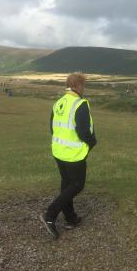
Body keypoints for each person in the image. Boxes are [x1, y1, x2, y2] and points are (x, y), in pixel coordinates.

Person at [40, 73, 97, 238]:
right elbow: (84, 132)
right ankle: (49, 215)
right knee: (77, 185)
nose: (83, 89)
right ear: (78, 86)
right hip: (74, 154)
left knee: (66, 185)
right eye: (83, 85)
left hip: (58, 151)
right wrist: (92, 142)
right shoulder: (80, 104)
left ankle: (71, 218)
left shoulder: (59, 102)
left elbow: (52, 127)